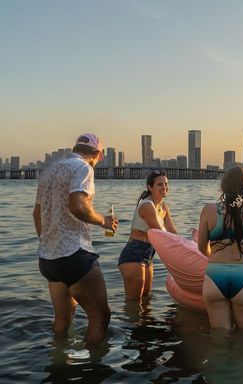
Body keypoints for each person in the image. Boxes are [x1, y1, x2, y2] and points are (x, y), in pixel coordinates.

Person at [33, 133, 119, 344]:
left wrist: (48, 241)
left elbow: (37, 214)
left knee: (62, 319)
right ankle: (92, 369)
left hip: (48, 259)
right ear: (98, 154)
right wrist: (103, 221)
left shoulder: (49, 170)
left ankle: (59, 364)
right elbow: (78, 206)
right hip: (74, 255)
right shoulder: (83, 168)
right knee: (100, 316)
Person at [198, 166, 243, 329]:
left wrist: (215, 257)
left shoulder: (208, 210)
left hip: (215, 275)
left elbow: (201, 247)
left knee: (220, 338)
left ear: (224, 186)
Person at [118, 170, 177, 301]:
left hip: (149, 255)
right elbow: (161, 234)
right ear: (150, 187)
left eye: (166, 184)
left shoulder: (163, 207)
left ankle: (144, 322)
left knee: (146, 299)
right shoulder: (147, 205)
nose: (164, 188)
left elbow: (173, 233)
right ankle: (128, 322)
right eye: (160, 184)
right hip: (134, 254)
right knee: (134, 302)